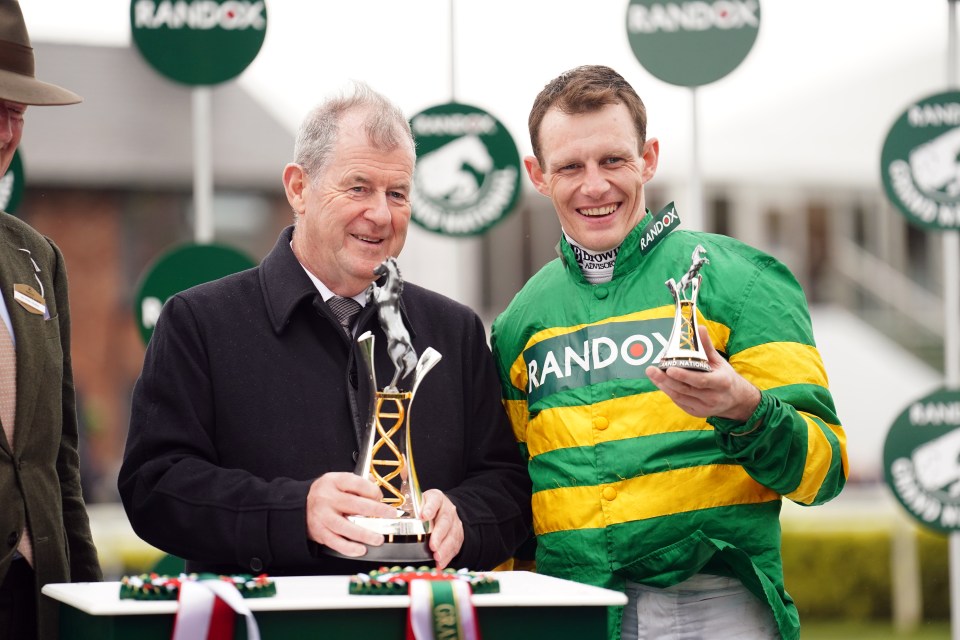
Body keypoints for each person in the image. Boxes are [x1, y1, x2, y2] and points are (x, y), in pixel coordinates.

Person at [491, 65, 846, 640]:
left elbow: (824, 470)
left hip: (714, 602)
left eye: (613, 160)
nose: (595, 185)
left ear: (649, 158)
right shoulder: (519, 322)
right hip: (571, 608)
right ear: (538, 175)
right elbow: (511, 485)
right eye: (570, 167)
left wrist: (745, 409)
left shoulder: (744, 281)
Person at [118, 82, 531, 578]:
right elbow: (154, 488)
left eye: (397, 193)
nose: (380, 214)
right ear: (298, 189)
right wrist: (296, 512)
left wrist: (467, 518)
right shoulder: (200, 322)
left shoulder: (455, 331)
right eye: (358, 187)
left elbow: (507, 487)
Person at [0, 2, 103, 639]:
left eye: (15, 112)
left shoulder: (36, 257)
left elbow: (61, 458)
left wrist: (89, 602)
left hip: (33, 598)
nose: (4, 130)